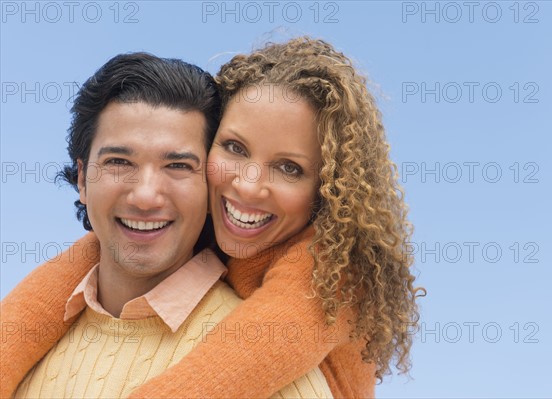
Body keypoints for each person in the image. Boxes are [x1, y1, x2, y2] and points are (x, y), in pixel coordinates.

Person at [1, 37, 422, 398]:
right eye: (236, 149)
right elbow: (37, 303)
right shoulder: (124, 254)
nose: (248, 186)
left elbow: (214, 377)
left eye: (289, 168)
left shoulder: (326, 273)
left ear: (326, 193)